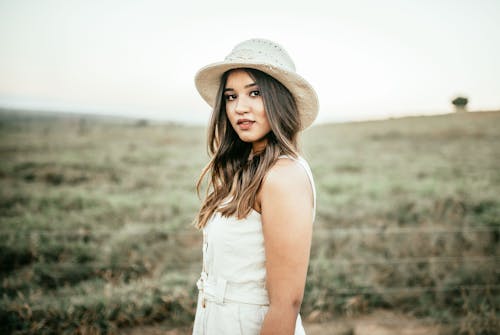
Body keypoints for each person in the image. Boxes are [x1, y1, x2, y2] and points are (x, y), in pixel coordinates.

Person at [192, 38, 319, 335]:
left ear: (279, 100)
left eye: (255, 93)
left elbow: (286, 303)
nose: (240, 108)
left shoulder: (283, 176)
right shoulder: (244, 166)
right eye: (231, 97)